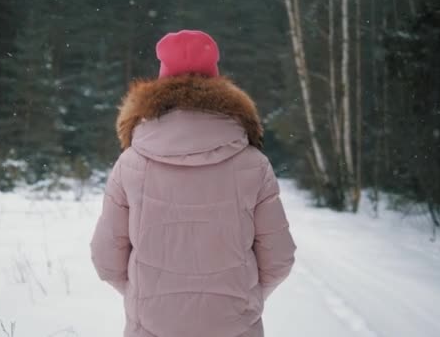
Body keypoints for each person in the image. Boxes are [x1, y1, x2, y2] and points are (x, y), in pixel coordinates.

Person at [91, 29, 296, 337]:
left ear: (161, 80)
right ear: (216, 78)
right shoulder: (253, 164)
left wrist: (147, 301)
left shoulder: (131, 163)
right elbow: (278, 257)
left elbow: (106, 257)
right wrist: (243, 300)